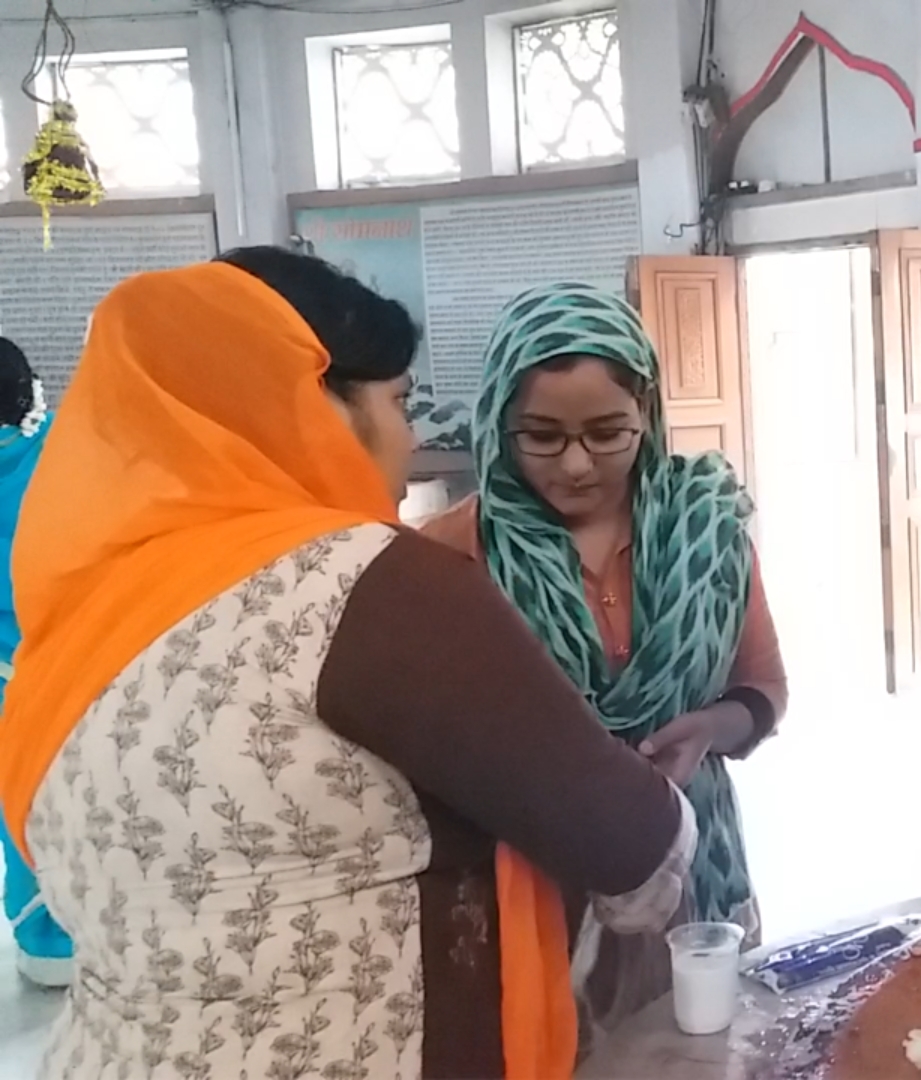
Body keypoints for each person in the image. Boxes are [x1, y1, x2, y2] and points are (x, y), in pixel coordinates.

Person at [0, 249, 694, 1079]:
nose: (410, 439)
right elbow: (631, 840)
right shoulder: (375, 588)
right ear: (310, 399)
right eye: (397, 402)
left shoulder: (79, 615)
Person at [419, 283, 786, 1034]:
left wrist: (709, 729)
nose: (579, 465)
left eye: (608, 432)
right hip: (528, 880)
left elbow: (763, 687)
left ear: (646, 412)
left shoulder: (708, 531)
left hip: (691, 860)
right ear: (498, 424)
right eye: (543, 436)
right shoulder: (449, 555)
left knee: (697, 1047)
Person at [0, 337, 69, 990]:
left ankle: (39, 932)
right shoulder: (64, 449)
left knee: (16, 801)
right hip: (75, 659)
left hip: (6, 675)